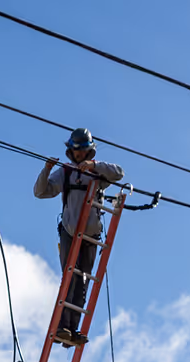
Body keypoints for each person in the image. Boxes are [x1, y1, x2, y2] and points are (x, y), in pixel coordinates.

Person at [33, 127, 124, 347]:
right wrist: (46, 170)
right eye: (76, 152)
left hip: (91, 234)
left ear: (89, 151)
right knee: (71, 277)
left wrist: (94, 166)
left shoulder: (98, 171)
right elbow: (40, 192)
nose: (79, 156)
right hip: (71, 232)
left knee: (83, 279)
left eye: (82, 152)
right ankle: (61, 327)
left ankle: (72, 330)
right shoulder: (65, 172)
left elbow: (118, 172)